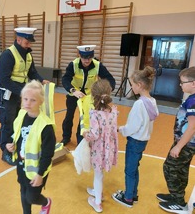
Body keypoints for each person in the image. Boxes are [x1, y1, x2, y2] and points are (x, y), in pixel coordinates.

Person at [0, 27, 50, 165]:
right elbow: (4, 79)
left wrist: (42, 80)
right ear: (18, 39)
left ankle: (16, 147)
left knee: (19, 121)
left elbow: (32, 73)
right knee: (8, 121)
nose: (29, 45)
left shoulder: (28, 54)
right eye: (27, 42)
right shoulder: (8, 55)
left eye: (30, 42)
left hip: (22, 93)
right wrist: (23, 92)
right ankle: (5, 151)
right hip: (8, 93)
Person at [5, 80, 56, 214]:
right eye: (25, 99)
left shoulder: (46, 126)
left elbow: (47, 154)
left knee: (31, 197)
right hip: (22, 164)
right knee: (23, 192)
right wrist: (10, 144)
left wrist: (40, 174)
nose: (27, 103)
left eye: (33, 100)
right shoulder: (21, 114)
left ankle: (46, 202)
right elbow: (16, 134)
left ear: (40, 102)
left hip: (37, 169)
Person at [112, 66, 159, 208]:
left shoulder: (139, 104)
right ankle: (133, 194)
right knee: (134, 168)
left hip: (135, 141)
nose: (131, 87)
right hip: (143, 141)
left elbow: (132, 127)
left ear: (140, 85)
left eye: (132, 84)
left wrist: (120, 129)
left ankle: (127, 198)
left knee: (129, 170)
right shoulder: (152, 101)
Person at [157, 67, 195, 214]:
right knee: (181, 170)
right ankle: (176, 196)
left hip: (186, 144)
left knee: (170, 167)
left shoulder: (193, 101)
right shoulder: (191, 99)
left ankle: (179, 202)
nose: (180, 85)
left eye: (182, 82)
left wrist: (178, 146)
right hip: (187, 143)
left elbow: (192, 127)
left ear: (193, 83)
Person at [61, 45, 115, 145]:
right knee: (69, 116)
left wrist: (106, 91)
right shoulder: (73, 64)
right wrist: (73, 90)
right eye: (84, 58)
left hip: (89, 97)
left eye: (90, 57)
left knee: (85, 119)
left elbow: (110, 79)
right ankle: (66, 137)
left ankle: (80, 139)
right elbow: (65, 79)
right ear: (80, 56)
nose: (87, 60)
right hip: (74, 94)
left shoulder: (98, 65)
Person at [82, 79, 118, 213]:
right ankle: (97, 190)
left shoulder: (94, 113)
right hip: (109, 146)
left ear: (93, 95)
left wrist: (86, 134)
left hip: (99, 148)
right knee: (99, 172)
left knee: (98, 173)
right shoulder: (113, 110)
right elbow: (113, 128)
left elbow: (95, 133)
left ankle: (97, 202)